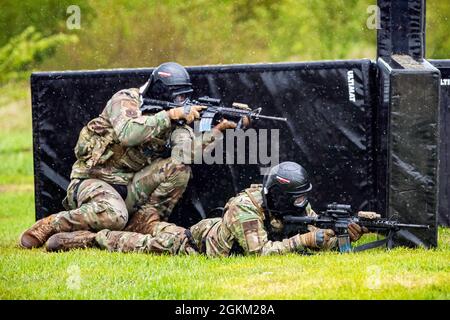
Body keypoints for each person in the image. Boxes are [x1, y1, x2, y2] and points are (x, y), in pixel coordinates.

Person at [19, 62, 236, 249]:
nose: (182, 102)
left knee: (179, 167)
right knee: (115, 215)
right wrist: (169, 115)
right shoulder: (125, 100)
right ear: (161, 91)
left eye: (184, 97)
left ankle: (143, 222)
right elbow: (128, 133)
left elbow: (186, 154)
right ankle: (50, 224)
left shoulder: (176, 120)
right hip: (93, 180)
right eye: (177, 96)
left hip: (131, 185)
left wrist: (217, 132)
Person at [45, 162, 369, 256]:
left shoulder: (292, 203)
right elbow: (261, 254)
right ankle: (88, 237)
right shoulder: (247, 207)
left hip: (216, 235)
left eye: (303, 199)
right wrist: (307, 241)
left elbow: (314, 231)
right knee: (142, 242)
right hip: (195, 244)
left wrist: (347, 233)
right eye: (297, 200)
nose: (302, 205)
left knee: (152, 227)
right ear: (281, 194)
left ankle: (145, 220)